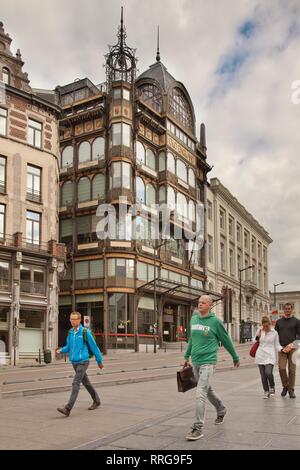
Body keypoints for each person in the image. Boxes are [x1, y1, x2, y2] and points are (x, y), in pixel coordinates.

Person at [183, 295, 240, 441]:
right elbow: (191, 339)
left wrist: (235, 357)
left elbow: (226, 339)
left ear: (210, 305)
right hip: (195, 361)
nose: (200, 304)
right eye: (199, 302)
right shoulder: (194, 318)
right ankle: (221, 409)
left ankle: (198, 427)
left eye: (203, 302)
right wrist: (186, 356)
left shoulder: (215, 322)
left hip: (208, 362)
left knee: (200, 392)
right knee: (208, 390)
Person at [56, 311, 104, 416]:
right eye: (71, 319)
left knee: (75, 383)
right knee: (86, 383)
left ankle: (68, 408)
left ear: (79, 320)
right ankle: (97, 400)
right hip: (74, 362)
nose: (72, 321)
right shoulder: (70, 332)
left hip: (83, 361)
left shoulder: (85, 332)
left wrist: (99, 361)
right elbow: (68, 347)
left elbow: (94, 347)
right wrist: (60, 350)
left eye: (74, 319)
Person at [275, 303, 300, 398]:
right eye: (285, 309)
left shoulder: (297, 321)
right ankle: (285, 386)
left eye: (289, 309)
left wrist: (292, 345)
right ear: (284, 310)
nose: (287, 310)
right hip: (282, 348)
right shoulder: (279, 322)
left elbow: (299, 336)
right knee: (281, 368)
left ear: (292, 310)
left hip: (293, 348)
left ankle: (291, 390)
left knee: (292, 370)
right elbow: (275, 336)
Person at [255, 316, 282, 399]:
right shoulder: (260, 330)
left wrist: (282, 350)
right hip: (260, 355)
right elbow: (254, 341)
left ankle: (272, 386)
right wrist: (257, 336)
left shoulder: (274, 333)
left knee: (268, 373)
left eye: (267, 326)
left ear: (270, 324)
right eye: (264, 326)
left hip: (270, 355)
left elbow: (277, 345)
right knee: (263, 375)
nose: (265, 328)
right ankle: (266, 391)